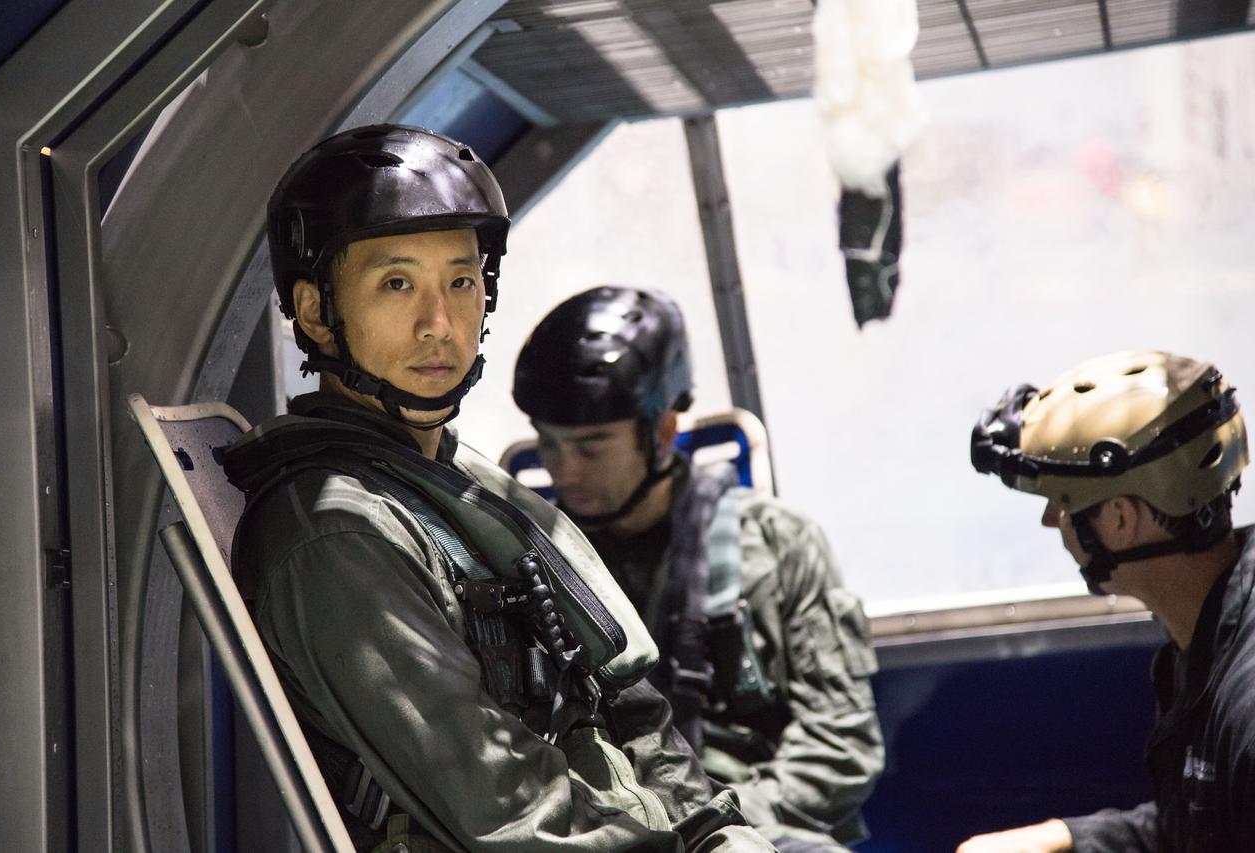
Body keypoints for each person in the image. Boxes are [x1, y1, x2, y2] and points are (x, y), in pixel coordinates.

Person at [223, 125, 775, 853]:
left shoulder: (455, 484)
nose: (440, 323)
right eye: (397, 284)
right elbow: (515, 819)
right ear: (319, 311)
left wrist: (713, 831)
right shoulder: (339, 535)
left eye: (460, 280)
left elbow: (631, 713)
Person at [512, 287, 885, 852]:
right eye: (549, 444)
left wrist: (715, 825)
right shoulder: (536, 568)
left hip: (757, 825)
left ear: (662, 432)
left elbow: (841, 744)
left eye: (591, 448)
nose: (564, 471)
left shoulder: (778, 544)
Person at [960, 350, 1254, 853]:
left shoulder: (1246, 708)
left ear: (1120, 519)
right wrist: (1067, 840)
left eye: (1063, 502)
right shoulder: (1208, 633)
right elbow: (1199, 830)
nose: (1051, 521)